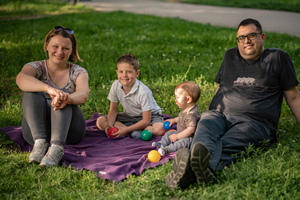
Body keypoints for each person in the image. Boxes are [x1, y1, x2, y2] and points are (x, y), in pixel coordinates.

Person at [165, 18, 300, 189]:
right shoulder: (230, 55)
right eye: (241, 38)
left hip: (254, 121)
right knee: (205, 130)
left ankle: (191, 171)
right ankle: (199, 168)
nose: (246, 41)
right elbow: (221, 87)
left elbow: (294, 97)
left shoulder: (277, 58)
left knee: (227, 142)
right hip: (219, 114)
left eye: (251, 35)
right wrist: (211, 113)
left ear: (262, 37)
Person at [16, 26, 89, 167]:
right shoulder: (35, 67)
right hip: (34, 133)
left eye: (66, 48)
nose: (60, 52)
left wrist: (66, 97)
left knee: (64, 99)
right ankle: (40, 143)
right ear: (46, 46)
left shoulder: (78, 72)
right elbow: (21, 79)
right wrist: (49, 89)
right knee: (31, 90)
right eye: (55, 46)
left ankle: (57, 148)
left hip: (69, 133)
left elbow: (83, 94)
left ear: (72, 50)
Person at [96, 53, 165, 138]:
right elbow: (113, 110)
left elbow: (146, 120)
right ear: (117, 72)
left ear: (137, 73)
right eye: (121, 72)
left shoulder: (143, 91)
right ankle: (133, 130)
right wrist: (110, 124)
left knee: (160, 129)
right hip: (129, 116)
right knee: (100, 121)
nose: (124, 75)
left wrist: (127, 130)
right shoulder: (115, 85)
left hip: (150, 117)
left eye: (129, 72)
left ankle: (129, 130)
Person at [152, 81, 201, 156]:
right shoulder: (187, 109)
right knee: (169, 133)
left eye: (178, 97)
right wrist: (174, 120)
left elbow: (191, 130)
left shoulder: (191, 114)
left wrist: (178, 137)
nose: (175, 100)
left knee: (182, 143)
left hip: (188, 137)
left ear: (188, 100)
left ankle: (166, 149)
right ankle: (161, 144)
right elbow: (181, 117)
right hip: (180, 133)